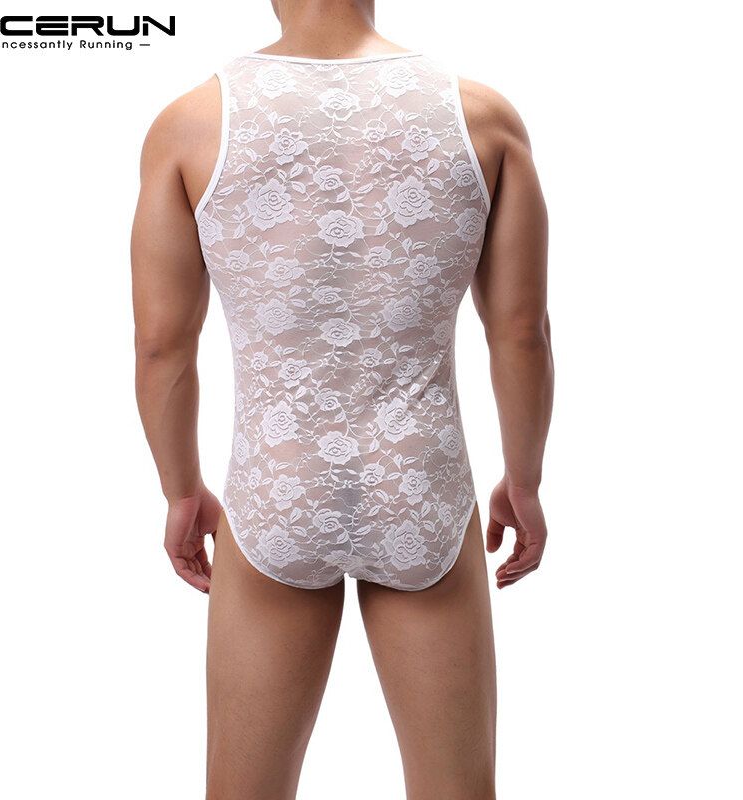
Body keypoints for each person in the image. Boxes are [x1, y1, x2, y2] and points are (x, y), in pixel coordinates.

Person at [131, 1, 553, 797]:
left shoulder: (189, 124)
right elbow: (521, 333)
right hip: (421, 483)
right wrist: (523, 480)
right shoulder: (482, 117)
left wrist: (181, 491)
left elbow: (161, 347)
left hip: (276, 487)